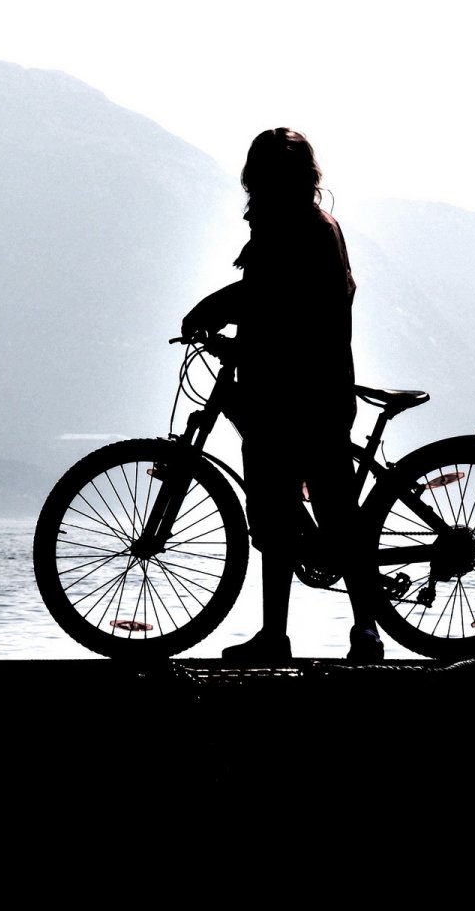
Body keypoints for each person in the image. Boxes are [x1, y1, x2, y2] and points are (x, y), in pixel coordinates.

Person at [181, 128, 383, 663]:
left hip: (305, 393)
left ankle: (353, 630)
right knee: (281, 516)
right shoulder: (296, 223)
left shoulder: (301, 228)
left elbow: (272, 295)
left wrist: (212, 310)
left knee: (319, 513)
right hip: (291, 387)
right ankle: (286, 635)